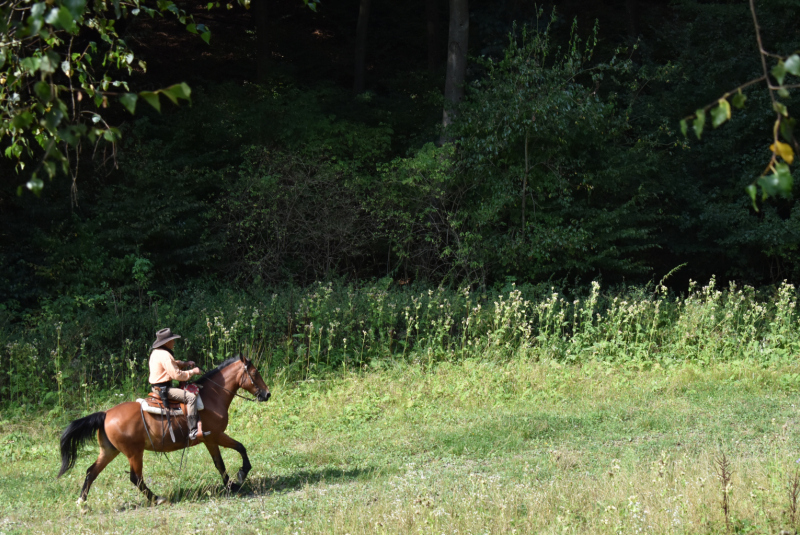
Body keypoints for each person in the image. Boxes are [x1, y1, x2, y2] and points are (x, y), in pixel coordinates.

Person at [148, 328, 204, 441]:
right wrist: (193, 372)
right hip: (164, 389)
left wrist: (185, 363)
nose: (173, 342)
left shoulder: (157, 352)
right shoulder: (165, 355)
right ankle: (193, 430)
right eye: (172, 340)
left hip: (157, 387)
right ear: (167, 342)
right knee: (191, 397)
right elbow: (177, 375)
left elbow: (173, 364)